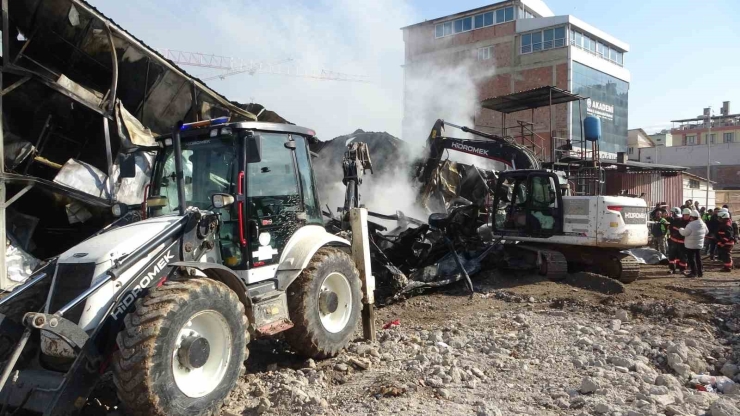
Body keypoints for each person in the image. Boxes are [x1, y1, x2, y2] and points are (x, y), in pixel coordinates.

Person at [679, 210, 707, 278]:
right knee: (698, 258)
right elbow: (707, 231)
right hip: (699, 244)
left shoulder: (690, 225)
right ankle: (700, 272)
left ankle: (694, 272)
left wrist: (681, 229)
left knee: (691, 259)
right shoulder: (703, 224)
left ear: (692, 217)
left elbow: (684, 233)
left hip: (690, 245)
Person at [667, 207, 689, 274]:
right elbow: (670, 229)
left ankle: (682, 269)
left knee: (683, 256)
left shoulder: (688, 222)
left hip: (682, 243)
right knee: (672, 256)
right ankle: (672, 269)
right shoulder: (675, 221)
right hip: (673, 241)